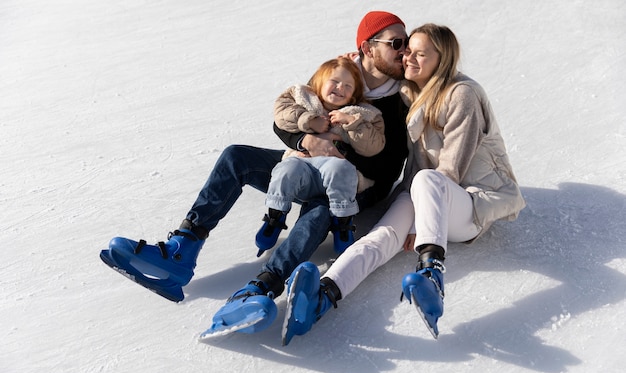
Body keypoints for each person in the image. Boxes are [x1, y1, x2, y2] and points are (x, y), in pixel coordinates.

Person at [99, 11, 410, 336]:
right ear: (368, 47)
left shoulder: (399, 99)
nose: (404, 51)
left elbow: (390, 166)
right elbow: (288, 118)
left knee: (318, 209)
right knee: (237, 157)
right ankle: (182, 249)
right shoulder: (341, 74)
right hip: (302, 162)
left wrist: (339, 151)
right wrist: (305, 140)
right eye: (396, 43)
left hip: (351, 185)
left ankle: (260, 289)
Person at [282, 23, 526, 345]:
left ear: (442, 59)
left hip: (472, 205)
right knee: (379, 238)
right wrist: (353, 65)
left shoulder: (462, 94)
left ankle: (431, 273)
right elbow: (374, 79)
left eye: (419, 53)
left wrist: (424, 224)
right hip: (425, 193)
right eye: (408, 50)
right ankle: (322, 296)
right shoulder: (411, 91)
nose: (408, 57)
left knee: (427, 179)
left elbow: (451, 168)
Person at [256, 57, 385, 257]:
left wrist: (352, 122)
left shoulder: (362, 114)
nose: (340, 87)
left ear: (352, 97)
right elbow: (282, 114)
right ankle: (275, 216)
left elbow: (373, 146)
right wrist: (309, 121)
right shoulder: (303, 98)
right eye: (334, 81)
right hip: (303, 167)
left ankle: (343, 222)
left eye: (348, 86)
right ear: (319, 83)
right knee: (287, 168)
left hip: (334, 178)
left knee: (340, 169)